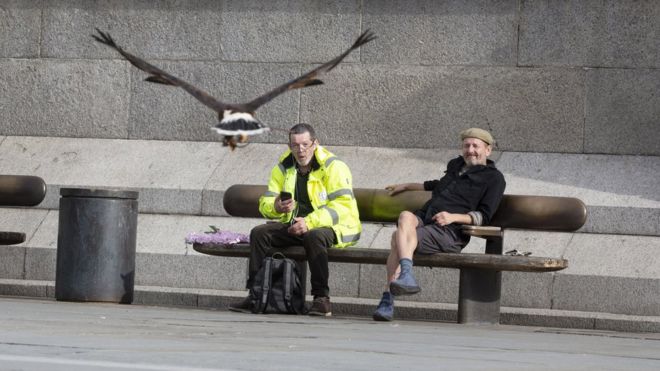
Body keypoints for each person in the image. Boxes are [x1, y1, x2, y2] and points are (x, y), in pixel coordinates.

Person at [372, 128, 506, 321]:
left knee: (396, 239)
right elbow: (439, 185)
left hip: (450, 233)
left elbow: (484, 216)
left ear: (488, 150)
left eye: (475, 146)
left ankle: (388, 299)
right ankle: (405, 276)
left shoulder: (494, 179)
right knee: (405, 216)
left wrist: (454, 217)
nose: (470, 150)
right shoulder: (456, 165)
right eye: (466, 145)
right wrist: (409, 186)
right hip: (427, 219)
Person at [229, 123, 362, 316]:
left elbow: (342, 206)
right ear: (289, 146)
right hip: (296, 225)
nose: (300, 150)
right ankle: (255, 294)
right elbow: (266, 201)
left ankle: (321, 299)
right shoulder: (283, 168)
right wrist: (276, 206)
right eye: (295, 145)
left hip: (337, 226)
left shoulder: (334, 167)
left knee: (313, 236)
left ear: (315, 144)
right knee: (259, 233)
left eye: (305, 144)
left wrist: (309, 222)